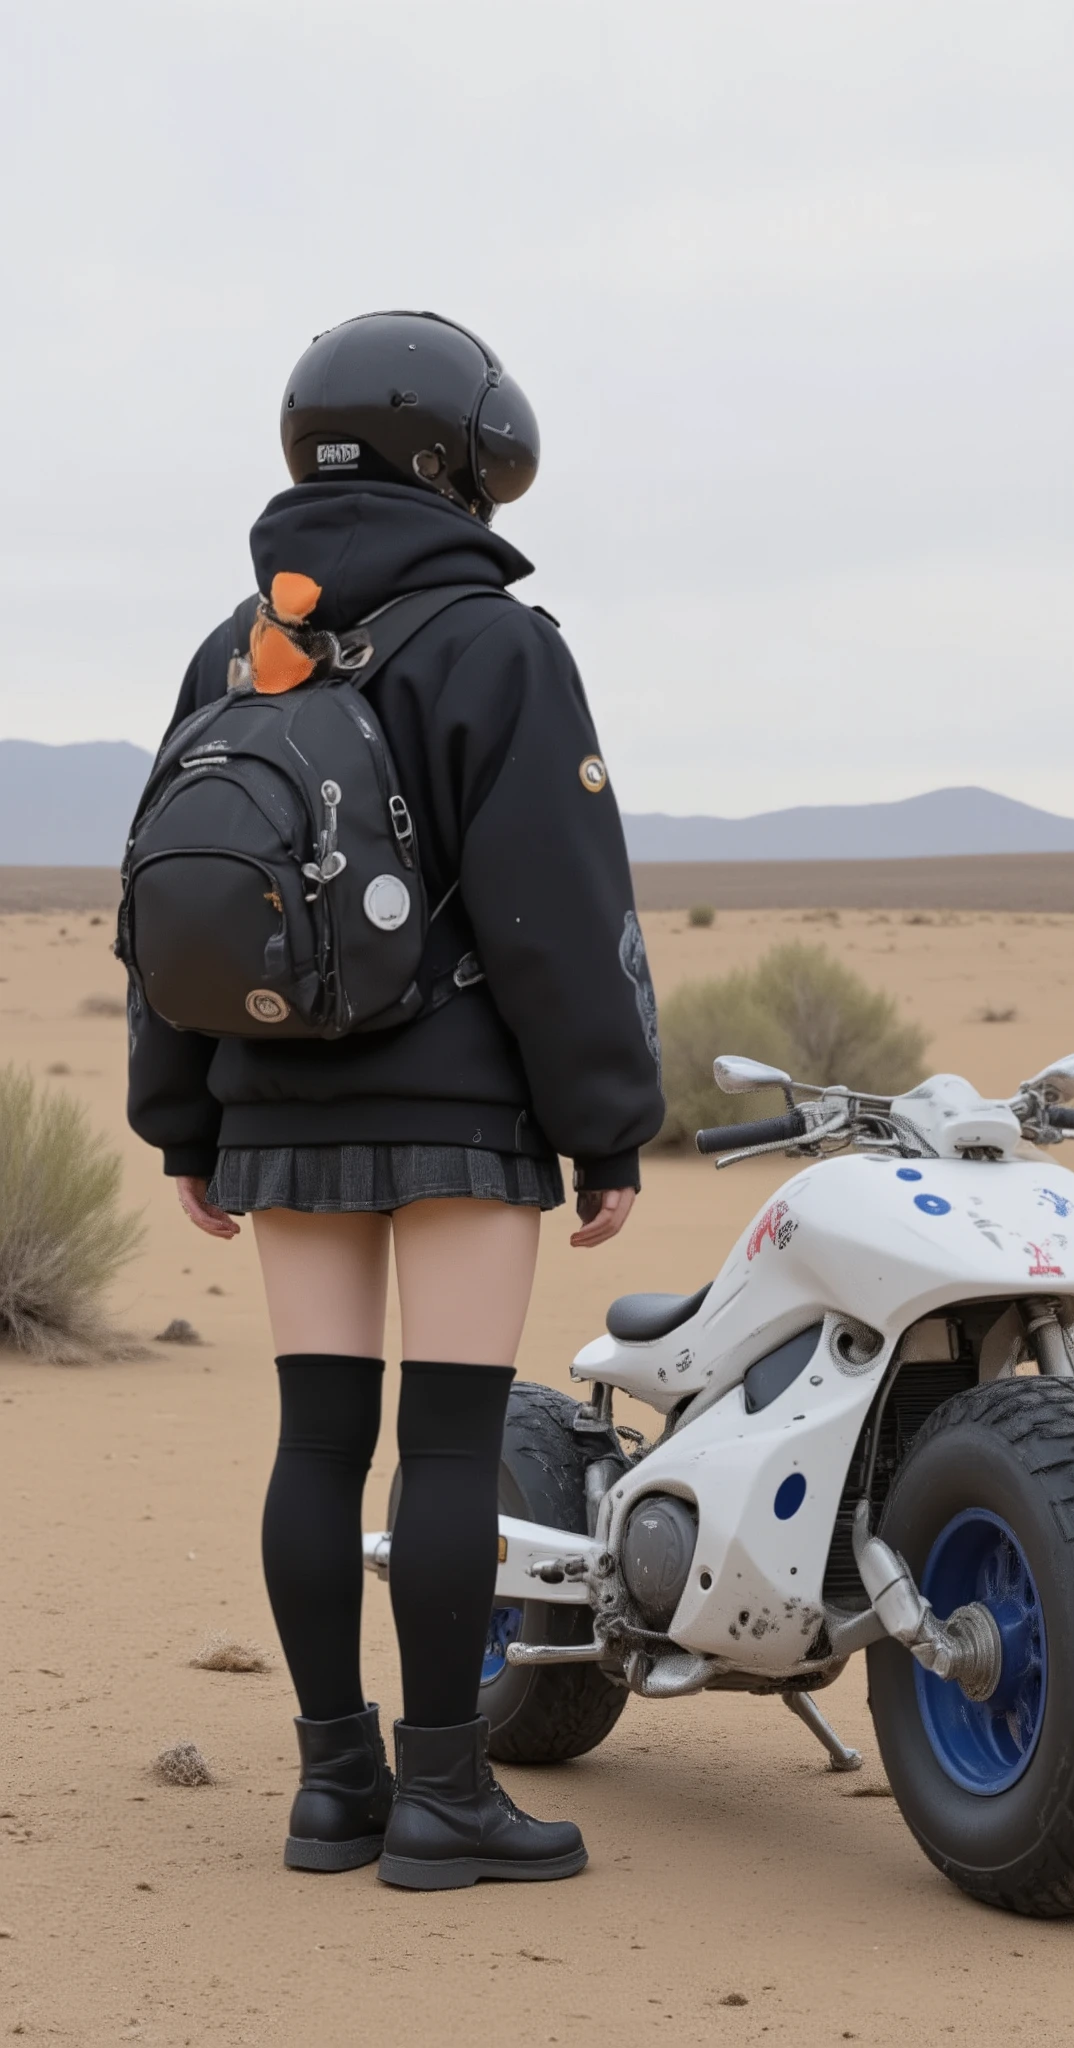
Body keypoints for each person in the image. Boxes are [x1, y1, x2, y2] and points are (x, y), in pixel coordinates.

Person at [125, 310, 665, 1890]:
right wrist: (605, 1125)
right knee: (445, 1451)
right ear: (454, 464)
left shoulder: (235, 646)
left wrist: (184, 1117)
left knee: (316, 1444)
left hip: (275, 1106)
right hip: (460, 1113)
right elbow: (556, 911)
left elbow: (165, 898)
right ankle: (445, 1798)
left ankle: (332, 1792)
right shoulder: (499, 644)